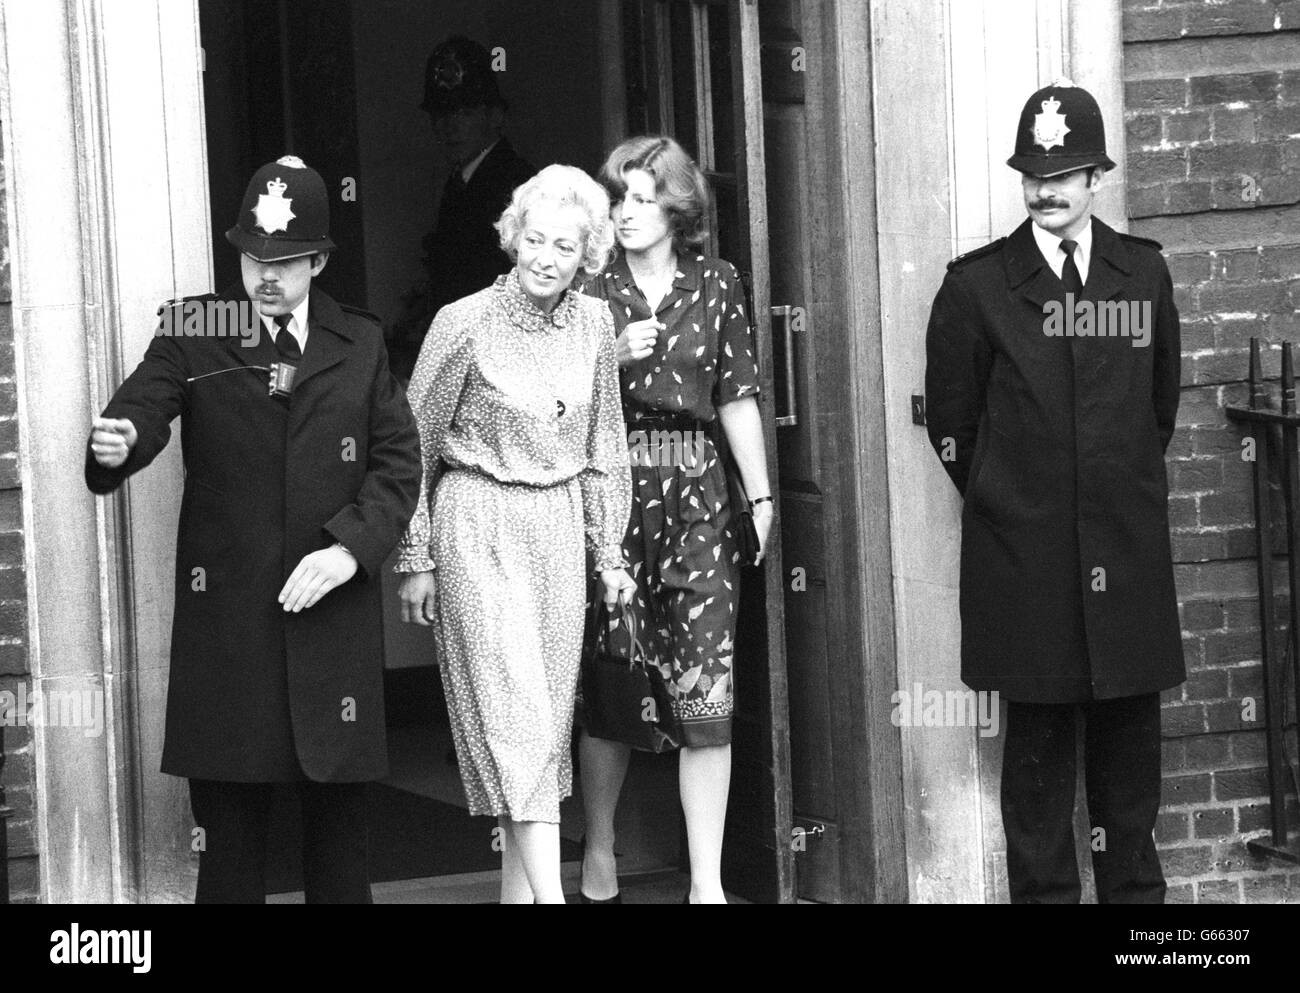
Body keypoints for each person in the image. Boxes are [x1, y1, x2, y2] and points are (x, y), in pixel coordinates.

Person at [85, 156, 423, 903]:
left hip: (329, 626)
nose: (266, 277)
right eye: (253, 257)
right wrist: (121, 441)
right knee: (231, 854)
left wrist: (349, 549)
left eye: (287, 262)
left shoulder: (358, 341)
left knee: (338, 855)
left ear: (319, 259)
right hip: (232, 632)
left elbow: (399, 465)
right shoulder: (197, 325)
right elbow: (146, 402)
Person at [924, 80, 1184, 903]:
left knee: (1129, 767)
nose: (1047, 189)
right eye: (1034, 173)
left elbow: (1159, 407)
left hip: (1124, 553)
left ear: (1098, 175)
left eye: (1065, 173)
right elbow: (953, 426)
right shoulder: (976, 289)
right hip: (1025, 561)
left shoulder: (1140, 276)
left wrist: (1106, 487)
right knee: (1035, 779)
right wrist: (1015, 494)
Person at [395, 164, 635, 905]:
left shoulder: (596, 324)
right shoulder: (461, 322)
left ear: (588, 254)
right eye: (534, 239)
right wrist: (415, 555)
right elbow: (411, 444)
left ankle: (517, 898)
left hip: (558, 531)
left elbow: (604, 446)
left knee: (540, 729)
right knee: (517, 723)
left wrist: (609, 550)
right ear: (512, 237)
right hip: (479, 523)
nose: (545, 257)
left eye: (565, 246)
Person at [577, 136, 773, 905]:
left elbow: (736, 395)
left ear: (677, 206)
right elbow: (553, 397)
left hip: (697, 498)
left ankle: (706, 880)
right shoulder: (588, 289)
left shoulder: (717, 283)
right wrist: (608, 356)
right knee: (613, 682)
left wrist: (759, 498)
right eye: (618, 197)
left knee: (706, 690)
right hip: (614, 492)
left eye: (642, 197)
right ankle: (599, 850)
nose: (626, 212)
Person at [386, 35, 536, 381]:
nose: (450, 126)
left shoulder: (518, 183)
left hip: (501, 357)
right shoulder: (461, 181)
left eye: (465, 112)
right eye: (442, 113)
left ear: (495, 115)